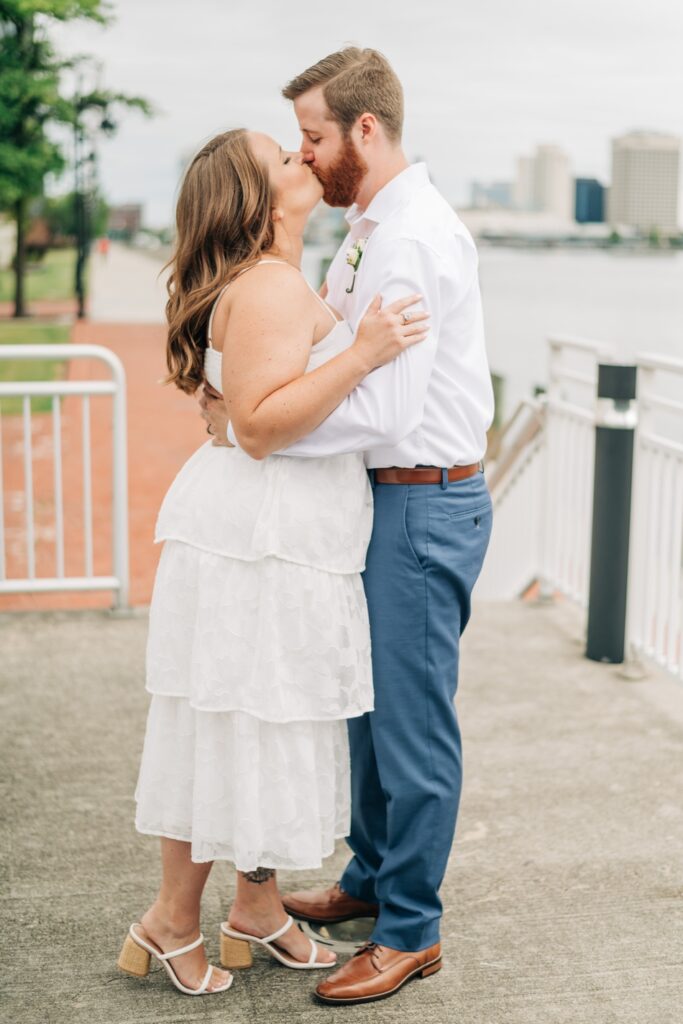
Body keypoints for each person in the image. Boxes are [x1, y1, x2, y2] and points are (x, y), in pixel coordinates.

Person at [202, 47, 494, 1005]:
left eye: (315, 137)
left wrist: (263, 433)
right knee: (369, 713)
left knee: (410, 726)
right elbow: (332, 347)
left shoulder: (407, 238)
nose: (306, 154)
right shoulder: (369, 227)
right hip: (390, 498)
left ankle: (412, 927)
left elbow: (389, 412)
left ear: (364, 131)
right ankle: (371, 878)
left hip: (421, 497)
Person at [116, 127, 429, 996]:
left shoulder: (279, 281)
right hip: (261, 535)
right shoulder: (269, 288)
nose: (304, 160)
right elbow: (256, 427)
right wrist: (365, 353)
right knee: (233, 720)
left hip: (274, 531)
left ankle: (254, 911)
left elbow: (244, 411)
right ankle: (171, 924)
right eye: (284, 160)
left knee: (254, 715)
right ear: (256, 200)